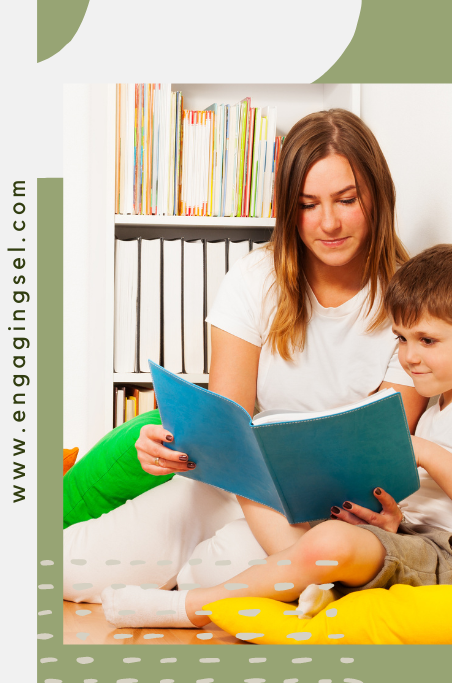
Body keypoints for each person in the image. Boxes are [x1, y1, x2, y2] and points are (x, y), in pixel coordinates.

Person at [64, 109, 427, 602]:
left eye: (347, 199)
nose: (329, 222)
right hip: (239, 489)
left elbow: (384, 440)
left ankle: (194, 589)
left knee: (211, 577)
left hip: (334, 510)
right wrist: (168, 444)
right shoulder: (255, 281)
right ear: (287, 209)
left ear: (377, 198)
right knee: (72, 572)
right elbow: (225, 422)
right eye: (308, 204)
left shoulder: (410, 302)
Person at [100, 244, 452, 629]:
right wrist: (393, 523)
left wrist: (424, 452)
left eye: (427, 341)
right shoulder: (440, 403)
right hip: (414, 541)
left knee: (328, 541)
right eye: (402, 339)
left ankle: (189, 608)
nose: (408, 357)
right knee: (265, 490)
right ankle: (317, 586)